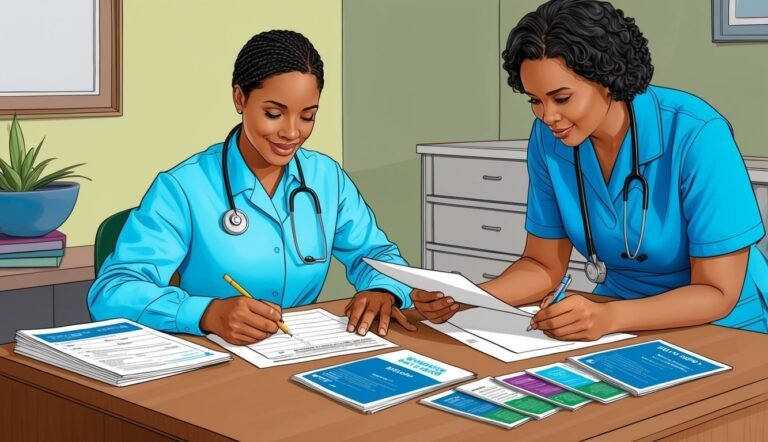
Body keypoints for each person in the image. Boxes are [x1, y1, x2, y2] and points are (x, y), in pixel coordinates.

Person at [412, 0, 768, 338]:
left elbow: (717, 292)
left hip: (724, 325)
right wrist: (468, 297)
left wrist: (609, 318)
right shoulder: (551, 139)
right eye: (535, 100)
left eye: (562, 98)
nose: (547, 116)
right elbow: (542, 266)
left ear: (609, 79)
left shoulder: (697, 134)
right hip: (615, 314)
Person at [88, 30, 417, 345]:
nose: (291, 133)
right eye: (274, 113)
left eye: (307, 116)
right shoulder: (183, 188)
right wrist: (205, 313)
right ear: (240, 98)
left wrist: (383, 290)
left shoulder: (326, 178)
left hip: (303, 350)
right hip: (216, 358)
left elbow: (377, 255)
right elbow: (113, 291)